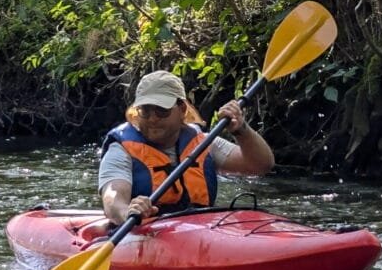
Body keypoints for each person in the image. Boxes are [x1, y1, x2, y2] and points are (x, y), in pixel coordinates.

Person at [98, 69, 274, 224]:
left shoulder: (204, 142)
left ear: (182, 109)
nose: (152, 118)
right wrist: (127, 213)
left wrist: (241, 130)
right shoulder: (121, 150)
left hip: (198, 232)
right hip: (145, 232)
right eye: (145, 110)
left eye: (161, 110)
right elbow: (113, 200)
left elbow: (260, 165)